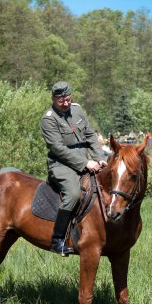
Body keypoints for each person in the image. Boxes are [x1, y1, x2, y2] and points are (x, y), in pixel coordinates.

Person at [41, 81, 107, 256]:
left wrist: (100, 157)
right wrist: (85, 163)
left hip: (85, 159)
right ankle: (57, 240)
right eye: (61, 101)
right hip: (61, 164)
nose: (65, 103)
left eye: (68, 99)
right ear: (54, 99)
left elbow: (90, 135)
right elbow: (58, 149)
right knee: (73, 193)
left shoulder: (77, 109)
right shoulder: (48, 119)